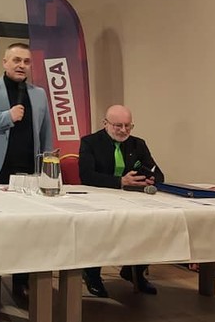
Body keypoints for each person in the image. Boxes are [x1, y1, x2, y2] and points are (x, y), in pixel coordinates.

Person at [0, 42, 53, 300]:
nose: (21, 65)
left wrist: (47, 169)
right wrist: (7, 116)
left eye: (26, 61)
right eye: (16, 60)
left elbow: (46, 133)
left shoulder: (39, 94)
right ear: (5, 63)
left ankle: (21, 284)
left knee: (26, 233)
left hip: (28, 175)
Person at [78, 104, 165, 297]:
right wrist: (120, 181)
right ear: (105, 123)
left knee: (153, 223)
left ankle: (134, 271)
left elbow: (158, 174)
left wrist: (150, 179)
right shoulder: (90, 142)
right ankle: (92, 274)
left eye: (128, 126)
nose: (124, 130)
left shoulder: (138, 144)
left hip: (132, 201)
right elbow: (87, 176)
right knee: (100, 227)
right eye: (118, 125)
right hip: (99, 199)